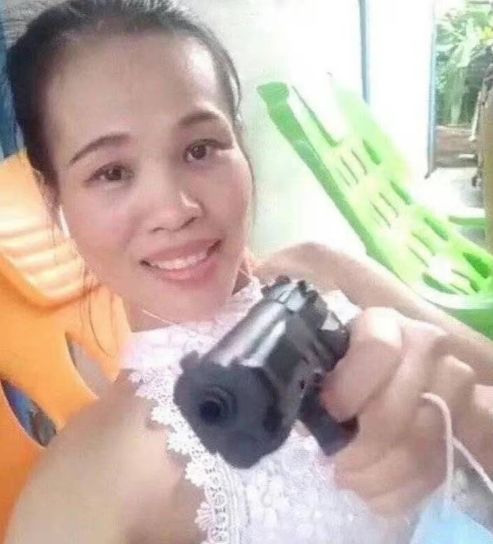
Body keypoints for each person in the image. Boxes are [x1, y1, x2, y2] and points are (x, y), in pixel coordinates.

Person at [4, 1, 493, 542]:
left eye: (200, 149)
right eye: (112, 172)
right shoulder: (90, 489)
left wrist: (467, 420)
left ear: (240, 143)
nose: (175, 209)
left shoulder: (324, 276)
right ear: (56, 199)